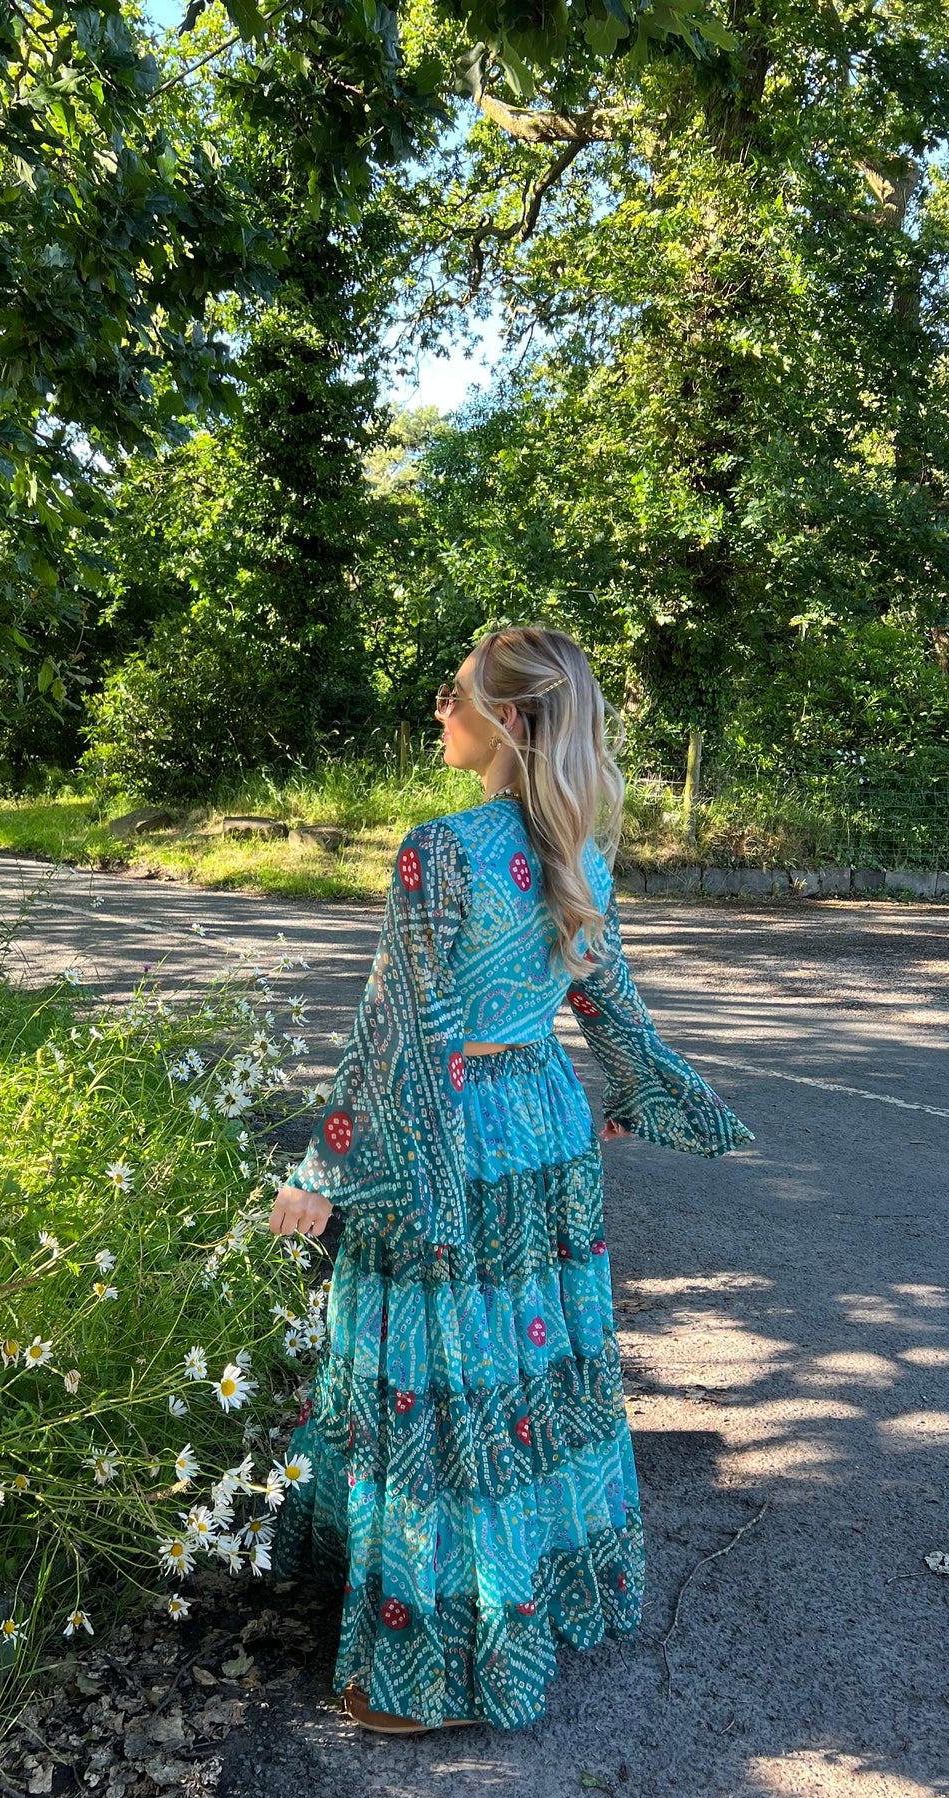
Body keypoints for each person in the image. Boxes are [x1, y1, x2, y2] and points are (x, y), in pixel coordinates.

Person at [268, 626, 753, 1733]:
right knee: (527, 1367)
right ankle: (550, 1592)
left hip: (454, 1127)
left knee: (447, 1381)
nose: (436, 710)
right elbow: (607, 1000)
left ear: (511, 720)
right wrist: (641, 1094)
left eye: (451, 693)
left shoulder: (438, 849)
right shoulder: (577, 850)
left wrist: (321, 1172)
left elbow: (395, 1036)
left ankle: (433, 1667)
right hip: (539, 1121)